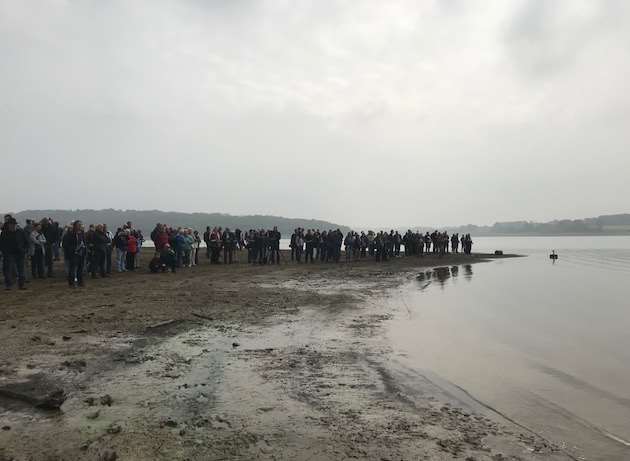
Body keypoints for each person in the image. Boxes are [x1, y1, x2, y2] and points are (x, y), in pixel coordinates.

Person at [1, 218, 27, 290]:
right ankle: (8, 285)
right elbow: (1, 243)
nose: (12, 226)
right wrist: (4, 252)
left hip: (19, 253)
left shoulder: (21, 232)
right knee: (7, 269)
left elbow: (26, 241)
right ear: (8, 225)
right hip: (8, 253)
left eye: (13, 224)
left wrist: (24, 250)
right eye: (10, 224)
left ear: (16, 225)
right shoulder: (4, 232)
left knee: (21, 269)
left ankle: (21, 285)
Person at [62, 220, 86, 288]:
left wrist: (84, 249)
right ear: (75, 226)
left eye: (81, 225)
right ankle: (71, 283)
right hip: (73, 254)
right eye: (79, 225)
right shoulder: (69, 234)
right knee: (72, 269)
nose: (80, 226)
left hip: (81, 253)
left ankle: (80, 282)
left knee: (80, 268)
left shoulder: (81, 233)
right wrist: (74, 249)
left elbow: (84, 242)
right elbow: (65, 245)